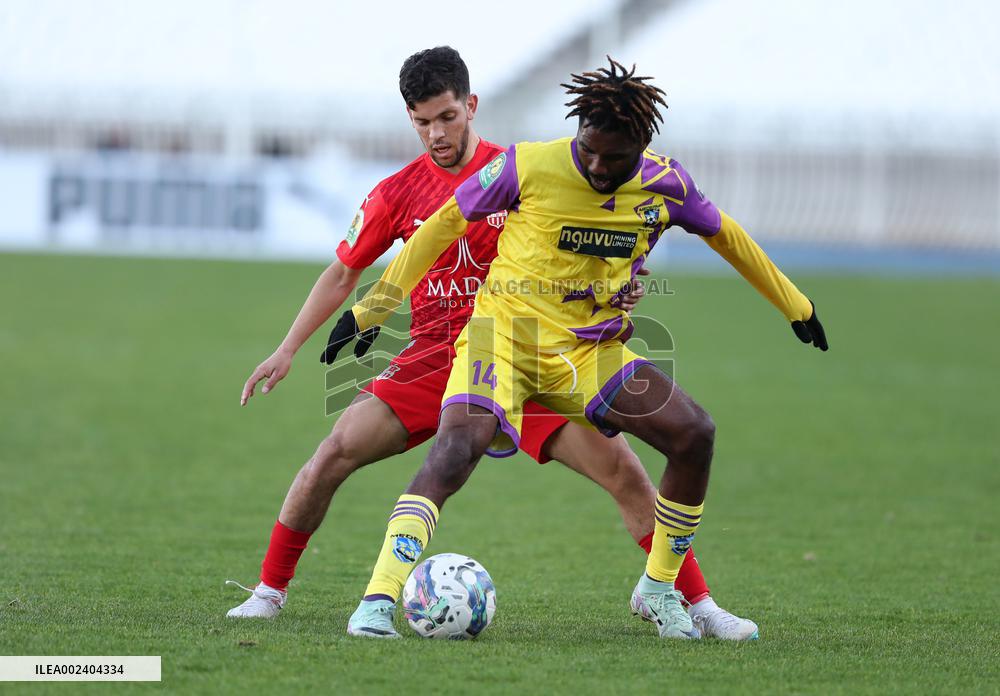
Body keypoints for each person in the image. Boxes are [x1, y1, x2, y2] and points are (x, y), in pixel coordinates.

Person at [228, 48, 758, 640]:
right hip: (435, 357)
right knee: (334, 453)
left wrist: (619, 288)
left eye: (447, 117)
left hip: (528, 350)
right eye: (423, 121)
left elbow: (606, 245)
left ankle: (698, 603)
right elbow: (343, 272)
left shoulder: (526, 172)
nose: (437, 133)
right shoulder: (397, 192)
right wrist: (287, 348)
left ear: (471, 106)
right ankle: (268, 592)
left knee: (625, 473)